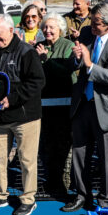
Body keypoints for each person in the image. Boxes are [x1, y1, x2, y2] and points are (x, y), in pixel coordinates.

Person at [64, 1, 108, 212]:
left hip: (107, 109)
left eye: (96, 24)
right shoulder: (86, 33)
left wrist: (90, 65)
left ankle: (104, 201)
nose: (92, 27)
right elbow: (72, 64)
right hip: (82, 105)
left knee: (107, 159)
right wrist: (76, 59)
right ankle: (81, 195)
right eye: (92, 22)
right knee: (79, 153)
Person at [0, 14, 45, 215]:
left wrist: (12, 98)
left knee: (27, 160)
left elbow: (37, 82)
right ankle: (0, 195)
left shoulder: (27, 52)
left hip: (26, 118)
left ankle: (28, 199)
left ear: (11, 31)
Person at [35, 12, 76, 197]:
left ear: (60, 29)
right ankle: (49, 182)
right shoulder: (39, 46)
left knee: (63, 147)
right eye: (45, 27)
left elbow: (66, 72)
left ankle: (62, 185)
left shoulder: (67, 46)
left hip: (63, 106)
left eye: (52, 27)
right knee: (45, 146)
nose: (48, 30)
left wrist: (46, 60)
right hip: (43, 106)